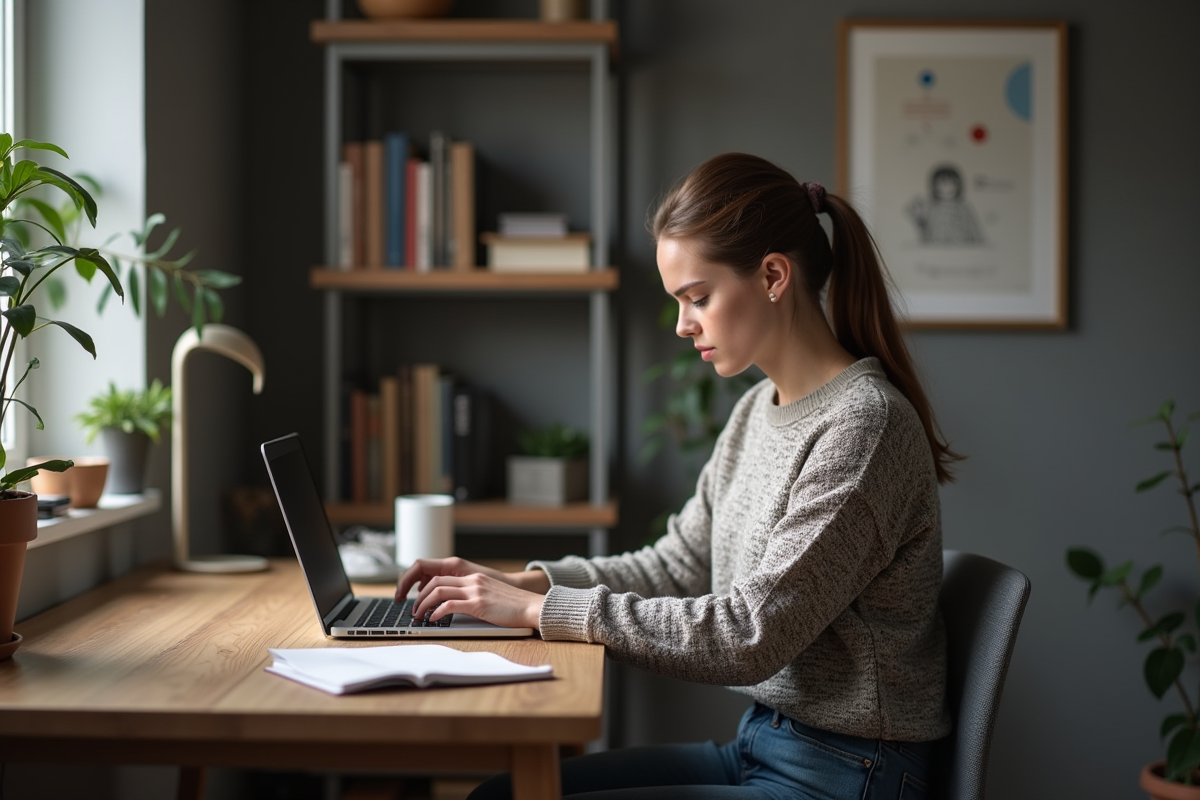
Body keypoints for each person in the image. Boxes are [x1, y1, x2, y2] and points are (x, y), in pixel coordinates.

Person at [395, 152, 961, 799]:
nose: (683, 325)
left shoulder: (865, 427)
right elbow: (677, 565)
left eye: (698, 298)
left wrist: (541, 611)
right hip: (764, 743)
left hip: (848, 772)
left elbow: (750, 636)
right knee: (499, 796)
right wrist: (527, 582)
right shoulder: (758, 410)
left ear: (773, 275)